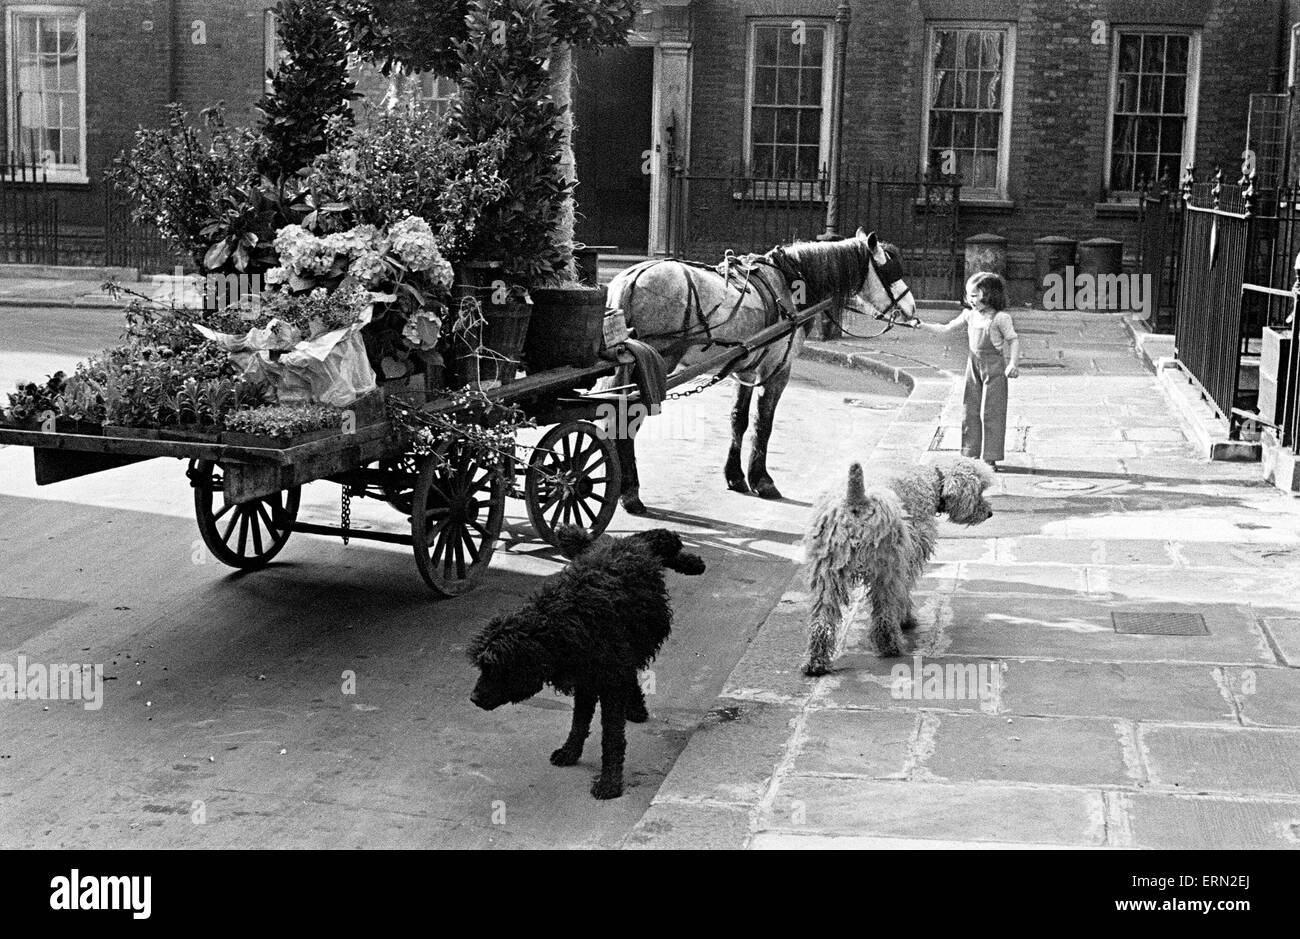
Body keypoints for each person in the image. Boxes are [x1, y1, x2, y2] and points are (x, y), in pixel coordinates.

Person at [913, 271, 1020, 469]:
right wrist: (922, 325)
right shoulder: (969, 315)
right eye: (968, 295)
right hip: (973, 366)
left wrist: (1013, 363)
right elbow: (946, 328)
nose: (970, 300)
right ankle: (969, 454)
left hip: (994, 368)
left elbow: (1013, 340)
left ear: (990, 294)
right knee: (969, 409)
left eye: (975, 295)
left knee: (992, 411)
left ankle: (991, 456)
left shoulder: (1001, 318)